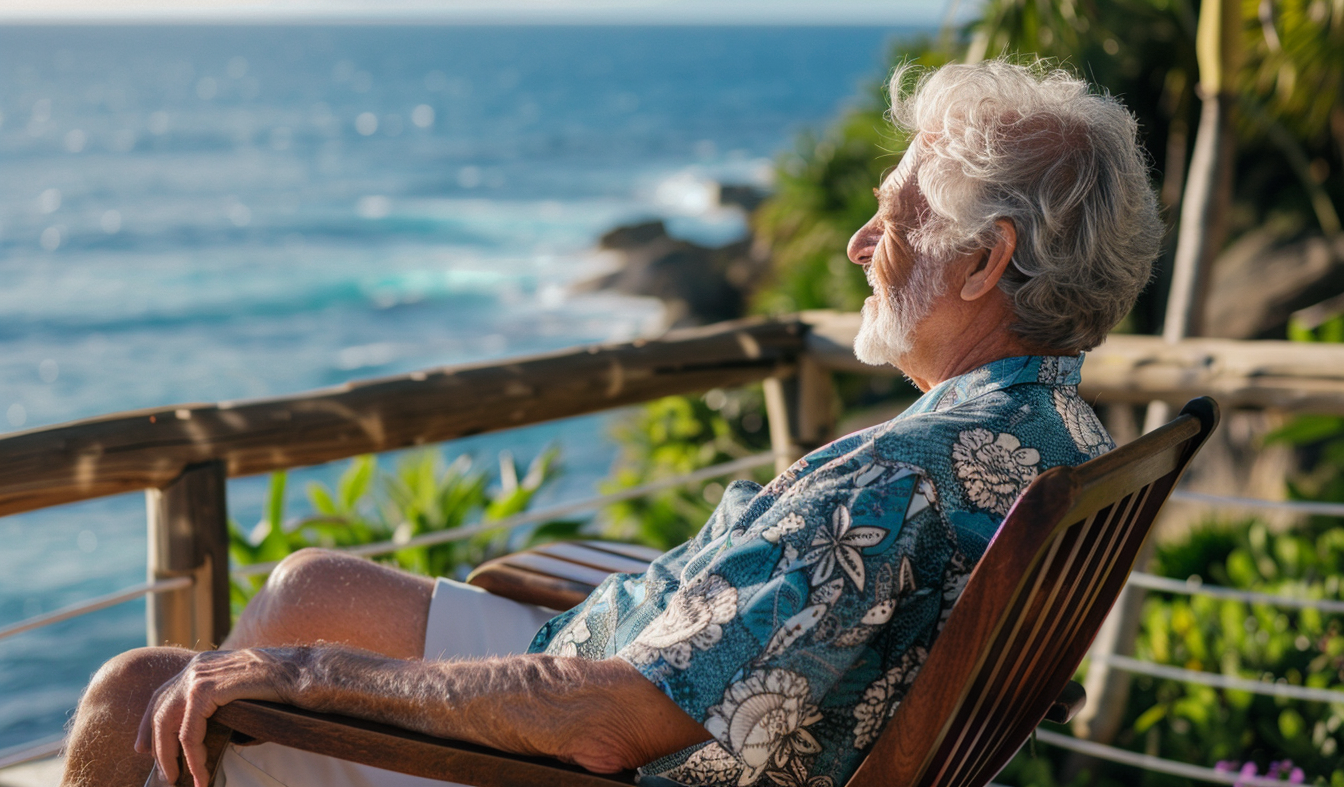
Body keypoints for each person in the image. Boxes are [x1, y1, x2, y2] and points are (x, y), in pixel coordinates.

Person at [61, 59, 1163, 787]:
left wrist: (304, 681)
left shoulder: (904, 483)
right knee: (310, 585)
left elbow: (611, 721)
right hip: (631, 671)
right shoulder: (1051, 431)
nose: (859, 245)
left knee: (142, 692)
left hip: (581, 748)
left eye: (897, 217)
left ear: (987, 259)